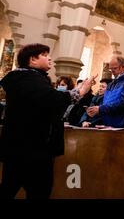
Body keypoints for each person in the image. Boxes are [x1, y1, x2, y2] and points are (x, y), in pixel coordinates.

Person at [0, 43, 95, 199]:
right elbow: (53, 100)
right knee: (38, 191)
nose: (50, 57)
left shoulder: (27, 79)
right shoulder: (29, 79)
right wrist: (81, 91)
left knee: (10, 187)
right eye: (44, 54)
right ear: (33, 60)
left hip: (22, 148)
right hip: (32, 150)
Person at [86, 56, 124, 128]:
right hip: (107, 124)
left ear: (123, 67)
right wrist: (95, 111)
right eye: (110, 69)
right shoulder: (111, 83)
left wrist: (100, 109)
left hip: (121, 125)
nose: (112, 72)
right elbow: (106, 102)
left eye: (114, 68)